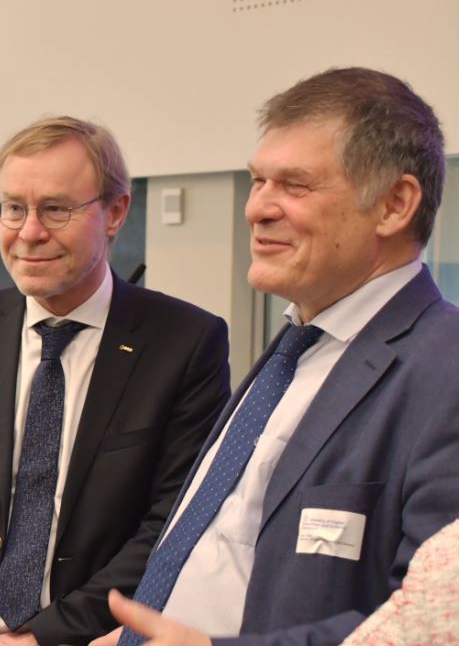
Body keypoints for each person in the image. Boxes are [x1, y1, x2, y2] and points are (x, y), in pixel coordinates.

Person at [97, 67, 459, 646]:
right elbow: (227, 545)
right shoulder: (294, 348)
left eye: (295, 185)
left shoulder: (444, 372)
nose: (257, 209)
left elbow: (432, 626)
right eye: (257, 181)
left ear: (394, 204)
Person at [0, 115, 232, 646]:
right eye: (13, 208)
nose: (29, 232)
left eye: (56, 209)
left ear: (115, 212)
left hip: (98, 637)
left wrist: (39, 640)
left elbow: (172, 521)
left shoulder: (186, 343)